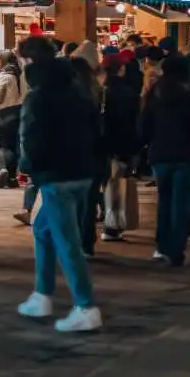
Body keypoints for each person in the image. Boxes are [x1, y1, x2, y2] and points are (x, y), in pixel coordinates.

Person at [15, 36, 103, 333]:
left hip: (57, 176)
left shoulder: (37, 97)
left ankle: (85, 306)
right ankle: (43, 294)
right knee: (43, 229)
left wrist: (28, 166)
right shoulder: (77, 89)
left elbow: (30, 138)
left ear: (29, 61)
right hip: (82, 172)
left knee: (68, 241)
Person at [140, 56, 190, 267]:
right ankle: (176, 250)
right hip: (187, 155)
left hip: (161, 154)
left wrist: (146, 144)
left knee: (164, 202)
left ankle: (162, 247)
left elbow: (144, 125)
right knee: (181, 204)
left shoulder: (155, 92)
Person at [101, 51, 140, 242]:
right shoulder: (128, 93)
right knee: (116, 186)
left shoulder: (99, 92)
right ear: (121, 69)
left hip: (102, 147)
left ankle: (109, 225)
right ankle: (113, 226)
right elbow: (131, 124)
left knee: (108, 185)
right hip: (121, 147)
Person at [69, 55, 106, 258]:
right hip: (95, 152)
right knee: (89, 200)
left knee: (73, 200)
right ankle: (87, 241)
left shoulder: (69, 96)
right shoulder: (97, 92)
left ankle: (76, 240)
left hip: (73, 153)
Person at [0, 50, 25, 187]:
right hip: (18, 112)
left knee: (2, 144)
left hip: (5, 113)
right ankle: (12, 176)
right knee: (15, 144)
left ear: (3, 61)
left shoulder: (4, 76)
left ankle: (3, 169)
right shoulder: (20, 74)